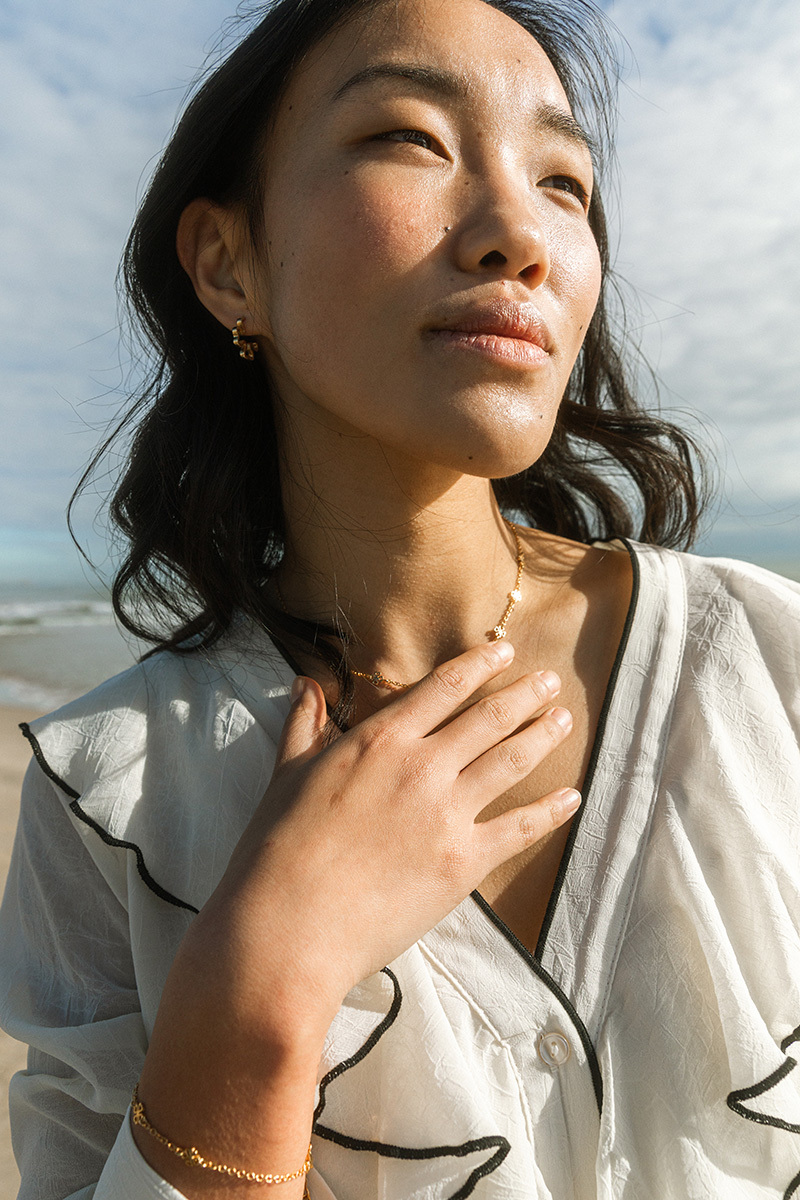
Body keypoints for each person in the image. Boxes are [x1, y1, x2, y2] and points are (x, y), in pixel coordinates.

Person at [1, 0, 799, 1196]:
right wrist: (257, 992)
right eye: (409, 138)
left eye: (564, 184)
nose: (516, 235)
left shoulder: (765, 662)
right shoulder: (109, 794)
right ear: (229, 265)